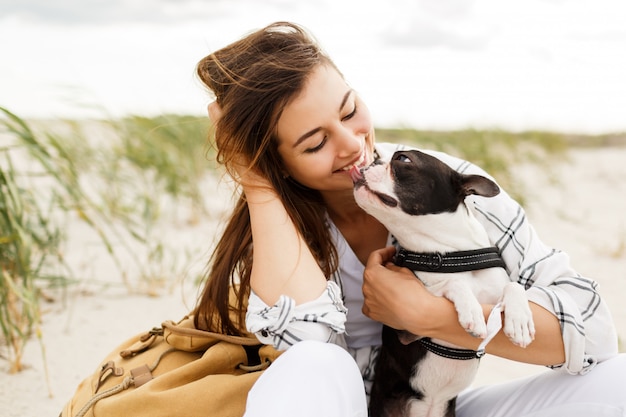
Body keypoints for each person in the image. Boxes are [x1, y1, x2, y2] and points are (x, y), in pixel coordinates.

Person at [193, 21, 625, 417]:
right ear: (279, 164)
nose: (351, 146)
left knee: (618, 382)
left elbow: (596, 331)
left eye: (348, 111)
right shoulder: (279, 222)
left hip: (440, 407)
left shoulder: (443, 184)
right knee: (314, 362)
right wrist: (255, 180)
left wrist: (431, 315)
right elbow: (307, 354)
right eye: (315, 143)